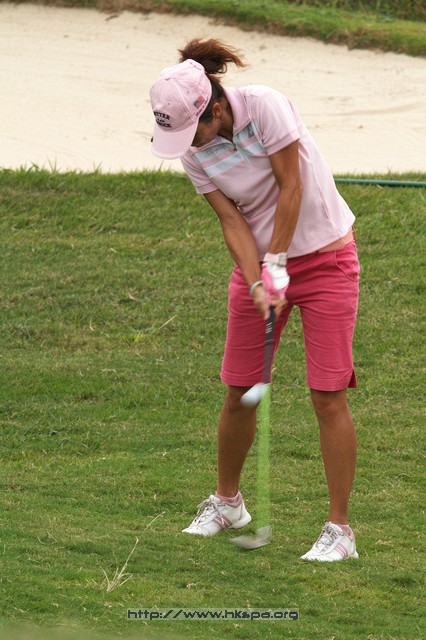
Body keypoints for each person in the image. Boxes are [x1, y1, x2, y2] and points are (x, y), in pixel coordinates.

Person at [149, 39, 360, 561]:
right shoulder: (193, 151)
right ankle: (228, 504)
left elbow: (292, 187)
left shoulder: (265, 105)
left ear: (215, 110)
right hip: (263, 269)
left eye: (191, 131)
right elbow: (231, 219)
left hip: (327, 260)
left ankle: (340, 530)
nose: (187, 144)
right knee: (240, 388)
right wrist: (257, 279)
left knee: (327, 394)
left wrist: (279, 262)